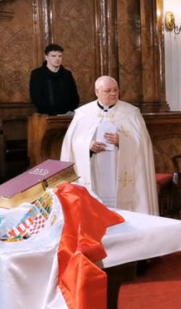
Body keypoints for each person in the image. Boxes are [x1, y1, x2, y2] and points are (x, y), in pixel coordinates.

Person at [60, 76, 158, 215]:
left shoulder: (131, 113)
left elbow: (142, 142)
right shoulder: (84, 113)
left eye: (115, 90)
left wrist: (123, 141)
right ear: (97, 92)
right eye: (108, 90)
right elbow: (71, 142)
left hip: (120, 167)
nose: (113, 93)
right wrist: (88, 145)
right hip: (94, 168)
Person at [29, 44, 80, 115]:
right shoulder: (37, 74)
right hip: (46, 115)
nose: (57, 58)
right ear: (46, 57)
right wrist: (52, 113)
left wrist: (69, 111)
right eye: (53, 56)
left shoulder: (67, 74)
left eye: (60, 56)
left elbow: (74, 97)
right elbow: (36, 97)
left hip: (67, 115)